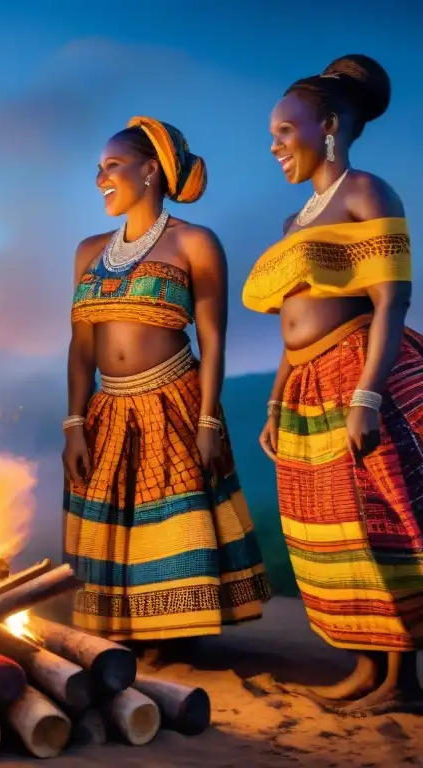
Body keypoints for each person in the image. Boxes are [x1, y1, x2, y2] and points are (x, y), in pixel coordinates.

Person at [244, 54, 422, 714]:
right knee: (331, 532)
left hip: (358, 371)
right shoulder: (296, 222)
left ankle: (403, 681)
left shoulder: (366, 193)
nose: (274, 147)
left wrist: (369, 395)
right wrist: (273, 399)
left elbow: (391, 299)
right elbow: (293, 315)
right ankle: (364, 666)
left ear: (327, 125)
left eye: (284, 132)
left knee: (383, 523)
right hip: (306, 385)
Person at [63, 117, 272, 644]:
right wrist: (73, 423)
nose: (100, 179)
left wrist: (208, 420)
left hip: (174, 399)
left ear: (150, 169)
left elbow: (214, 339)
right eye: (98, 169)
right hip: (107, 407)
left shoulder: (195, 243)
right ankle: (129, 640)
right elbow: (81, 345)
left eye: (112, 166)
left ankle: (173, 636)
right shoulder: (89, 251)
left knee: (172, 516)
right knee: (117, 523)